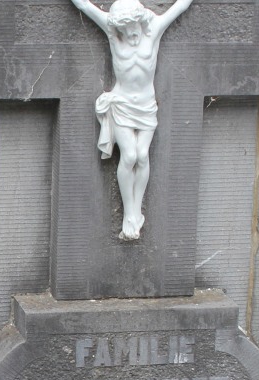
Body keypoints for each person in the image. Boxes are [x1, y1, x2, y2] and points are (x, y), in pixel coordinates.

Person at [71, 0, 194, 240]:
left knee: (142, 155)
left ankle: (136, 212)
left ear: (140, 20)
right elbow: (85, 6)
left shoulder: (155, 28)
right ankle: (129, 213)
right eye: (124, 31)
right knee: (129, 156)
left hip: (147, 106)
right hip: (123, 104)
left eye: (133, 28)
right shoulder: (112, 32)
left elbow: (180, 6)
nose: (130, 34)